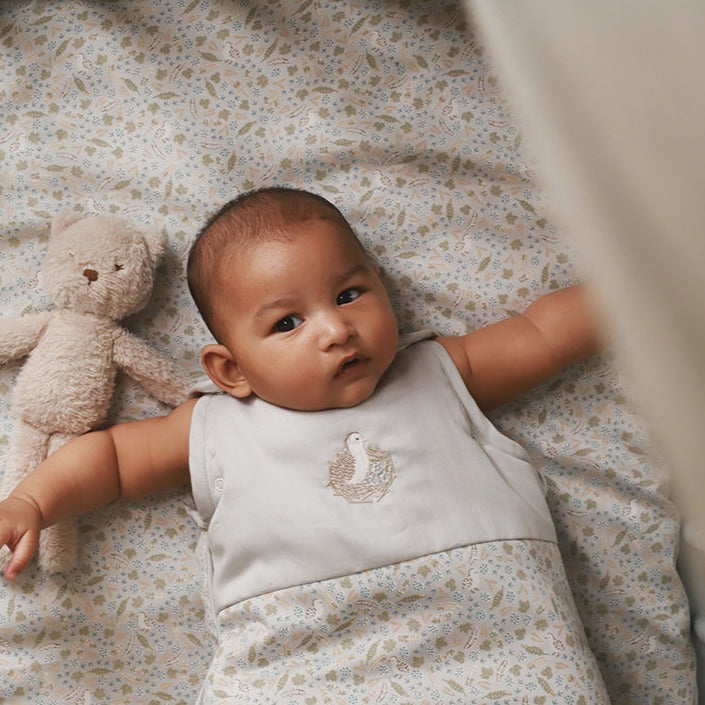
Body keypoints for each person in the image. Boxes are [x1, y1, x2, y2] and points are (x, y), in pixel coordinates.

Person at [0, 187, 607, 702]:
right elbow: (109, 457)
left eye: (349, 295)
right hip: (301, 661)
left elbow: (543, 333)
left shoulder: (441, 371)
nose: (336, 329)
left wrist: (644, 280)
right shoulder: (219, 424)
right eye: (286, 323)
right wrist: (33, 501)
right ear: (230, 369)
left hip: (496, 645)